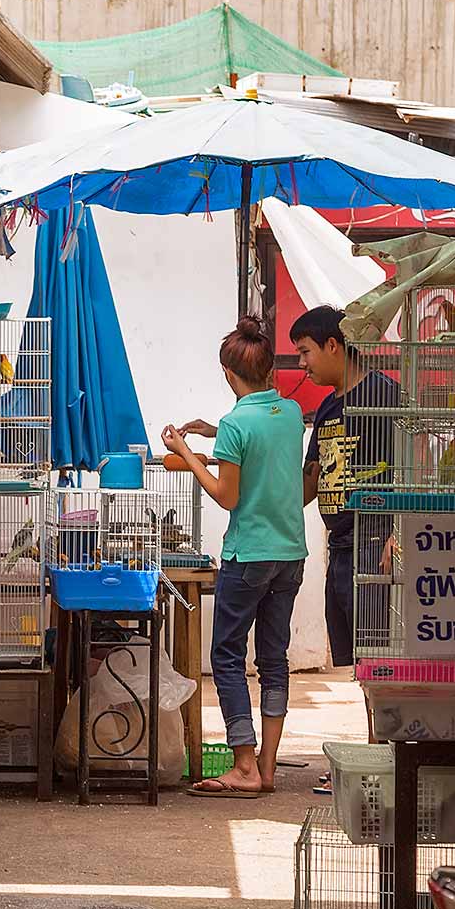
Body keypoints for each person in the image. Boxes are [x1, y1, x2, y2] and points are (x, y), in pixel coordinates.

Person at [165, 317, 307, 798]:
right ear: (269, 370)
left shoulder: (234, 424)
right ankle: (266, 767)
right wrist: (213, 430)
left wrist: (185, 449)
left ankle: (242, 765)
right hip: (290, 555)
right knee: (273, 659)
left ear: (229, 374)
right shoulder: (288, 414)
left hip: (247, 556)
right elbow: (258, 438)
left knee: (226, 655)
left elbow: (226, 496)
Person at [288, 305, 400, 671]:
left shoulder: (383, 395)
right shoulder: (325, 409)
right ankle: (373, 731)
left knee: (379, 658)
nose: (302, 364)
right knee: (359, 662)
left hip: (374, 542)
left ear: (333, 345)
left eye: (305, 351)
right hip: (339, 546)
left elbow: (412, 468)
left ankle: (381, 731)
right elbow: (310, 480)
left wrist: (399, 532)